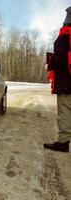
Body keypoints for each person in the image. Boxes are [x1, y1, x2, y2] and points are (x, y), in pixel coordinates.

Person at [44, 6, 71, 152]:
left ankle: (63, 143)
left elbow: (60, 61)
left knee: (65, 112)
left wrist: (49, 66)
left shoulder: (64, 36)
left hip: (66, 83)